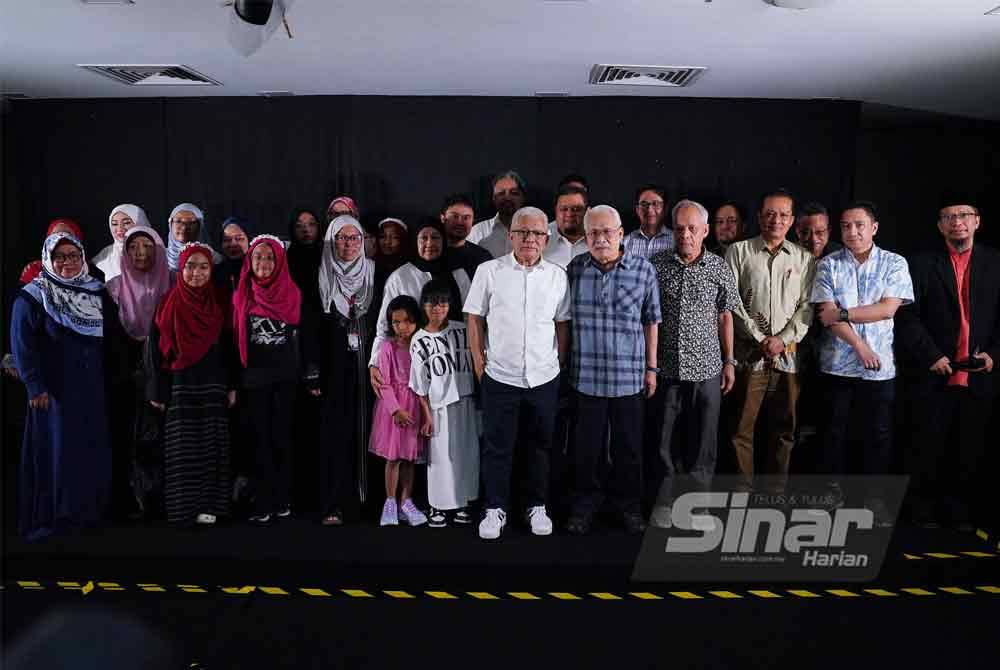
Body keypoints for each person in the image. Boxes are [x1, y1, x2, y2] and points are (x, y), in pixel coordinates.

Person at [463, 206, 571, 540]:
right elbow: (474, 317)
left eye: (537, 233)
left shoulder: (557, 275)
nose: (529, 239)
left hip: (544, 377)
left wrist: (558, 362)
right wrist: (479, 364)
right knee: (497, 446)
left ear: (546, 238)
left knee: (540, 446)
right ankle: (495, 508)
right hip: (500, 376)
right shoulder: (489, 271)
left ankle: (537, 505)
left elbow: (562, 323)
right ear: (510, 236)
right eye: (522, 232)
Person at [896, 197, 1000, 529]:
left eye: (964, 215)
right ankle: (921, 512)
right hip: (934, 371)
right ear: (940, 226)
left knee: (971, 448)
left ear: (977, 221)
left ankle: (961, 513)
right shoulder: (920, 264)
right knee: (927, 446)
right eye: (949, 217)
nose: (957, 222)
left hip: (980, 374)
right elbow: (907, 316)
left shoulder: (995, 262)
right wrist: (931, 355)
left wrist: (994, 354)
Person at [810, 201, 913, 520]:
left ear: (874, 228)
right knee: (833, 432)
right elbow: (825, 315)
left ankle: (875, 498)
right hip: (837, 365)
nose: (852, 231)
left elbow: (887, 308)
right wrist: (858, 344)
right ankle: (831, 492)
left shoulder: (894, 263)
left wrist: (843, 313)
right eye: (845, 226)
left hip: (880, 368)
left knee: (877, 434)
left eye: (859, 225)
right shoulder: (828, 264)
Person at [10, 232, 116, 540]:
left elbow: (111, 340)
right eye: (59, 256)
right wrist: (34, 386)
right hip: (53, 393)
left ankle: (86, 515)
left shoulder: (97, 292)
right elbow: (22, 345)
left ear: (83, 258)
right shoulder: (33, 296)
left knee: (88, 450)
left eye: (73, 255)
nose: (67, 262)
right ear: (48, 259)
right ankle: (55, 517)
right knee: (56, 452)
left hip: (90, 389)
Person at [565, 205, 661, 535]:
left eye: (607, 232)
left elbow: (651, 321)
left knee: (629, 450)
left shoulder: (643, 270)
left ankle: (629, 507)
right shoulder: (574, 269)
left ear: (621, 234)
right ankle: (584, 505)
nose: (601, 238)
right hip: (585, 377)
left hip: (628, 377)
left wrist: (651, 368)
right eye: (593, 233)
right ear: (586, 236)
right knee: (586, 450)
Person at [648, 200, 739, 530]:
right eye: (679, 228)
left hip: (708, 369)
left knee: (704, 441)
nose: (685, 234)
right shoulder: (656, 265)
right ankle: (665, 501)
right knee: (664, 439)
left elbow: (726, 316)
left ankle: (699, 504)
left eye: (692, 228)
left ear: (705, 231)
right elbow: (648, 318)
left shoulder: (718, 266)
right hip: (667, 368)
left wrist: (729, 361)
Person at [725, 189, 816, 494]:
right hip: (749, 354)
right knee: (741, 429)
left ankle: (775, 492)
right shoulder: (739, 252)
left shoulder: (804, 258)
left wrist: (782, 339)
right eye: (769, 213)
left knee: (784, 428)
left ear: (791, 220)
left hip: (787, 356)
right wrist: (760, 338)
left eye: (783, 215)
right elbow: (732, 302)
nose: (776, 220)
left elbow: (807, 307)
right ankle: (742, 492)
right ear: (759, 217)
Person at [145, 243, 236, 526]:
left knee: (212, 446)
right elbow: (155, 352)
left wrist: (232, 386)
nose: (196, 273)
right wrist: (157, 391)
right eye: (190, 266)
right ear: (181, 269)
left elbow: (231, 347)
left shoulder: (220, 302)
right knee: (181, 448)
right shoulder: (168, 303)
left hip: (213, 383)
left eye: (203, 267)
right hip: (179, 385)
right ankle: (182, 507)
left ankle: (209, 506)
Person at [233, 235, 310, 525]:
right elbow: (233, 338)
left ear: (279, 262)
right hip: (254, 380)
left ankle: (282, 499)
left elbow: (302, 337)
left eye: (269, 257)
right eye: (258, 257)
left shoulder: (292, 293)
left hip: (285, 379)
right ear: (249, 261)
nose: (263, 262)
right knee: (258, 440)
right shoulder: (243, 293)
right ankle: (262, 501)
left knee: (282, 438)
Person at [105, 226, 172, 517]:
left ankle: (162, 499)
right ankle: (129, 499)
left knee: (161, 438)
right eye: (132, 247)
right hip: (123, 372)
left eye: (147, 246)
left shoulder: (172, 281)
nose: (140, 253)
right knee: (126, 436)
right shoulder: (113, 286)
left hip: (164, 370)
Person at [315, 215, 376, 525]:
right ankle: (334, 504)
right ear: (331, 241)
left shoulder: (375, 273)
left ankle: (367, 503)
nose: (348, 244)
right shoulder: (321, 275)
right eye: (341, 237)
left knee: (368, 432)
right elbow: (311, 327)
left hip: (370, 368)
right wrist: (313, 371)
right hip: (332, 369)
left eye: (354, 238)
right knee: (334, 435)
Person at [367, 219, 474, 393]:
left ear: (444, 240)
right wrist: (375, 362)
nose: (429, 243)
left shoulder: (458, 274)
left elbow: (472, 320)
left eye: (435, 237)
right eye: (423, 238)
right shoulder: (400, 277)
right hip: (411, 367)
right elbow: (384, 327)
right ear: (415, 241)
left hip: (456, 364)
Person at [410, 280, 480, 527]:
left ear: (450, 305)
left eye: (442, 303)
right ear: (424, 305)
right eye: (432, 303)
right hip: (438, 406)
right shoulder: (419, 339)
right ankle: (437, 505)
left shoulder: (462, 329)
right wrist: (427, 415)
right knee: (440, 459)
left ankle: (463, 502)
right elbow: (419, 384)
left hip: (467, 401)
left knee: (467, 454)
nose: (437, 308)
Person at [369, 295, 428, 527]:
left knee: (410, 458)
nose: (402, 327)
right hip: (393, 408)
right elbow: (384, 384)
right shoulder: (388, 348)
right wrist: (395, 410)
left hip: (414, 406)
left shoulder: (421, 345)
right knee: (393, 458)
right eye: (396, 322)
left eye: (407, 321)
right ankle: (390, 502)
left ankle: (406, 501)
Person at [467, 170, 528, 258]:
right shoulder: (477, 232)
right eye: (501, 193)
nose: (507, 198)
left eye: (514, 193)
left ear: (523, 198)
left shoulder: (539, 231)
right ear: (494, 198)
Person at [91, 204, 150, 282]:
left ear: (140, 223)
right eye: (115, 224)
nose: (119, 228)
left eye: (126, 223)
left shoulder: (157, 252)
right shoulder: (105, 255)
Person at [165, 203, 222, 275]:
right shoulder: (159, 256)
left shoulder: (213, 257)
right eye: (178, 221)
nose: (184, 227)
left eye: (191, 222)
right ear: (170, 224)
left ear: (200, 226)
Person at [544, 185, 590, 270]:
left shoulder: (599, 238)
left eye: (576, 209)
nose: (569, 214)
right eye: (563, 209)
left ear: (587, 211)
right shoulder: (540, 236)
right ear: (556, 210)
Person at [623, 184, 673, 259]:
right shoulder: (625, 242)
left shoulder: (676, 241)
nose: (649, 209)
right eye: (644, 204)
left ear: (665, 209)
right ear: (637, 210)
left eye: (655, 204)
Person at [374, 217, 409, 297]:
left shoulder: (407, 270)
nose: (387, 242)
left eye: (394, 237)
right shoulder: (371, 267)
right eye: (383, 236)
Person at [216, 216, 252, 291]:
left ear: (249, 240)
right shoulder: (215, 273)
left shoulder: (257, 270)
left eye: (239, 239)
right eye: (227, 239)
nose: (233, 244)